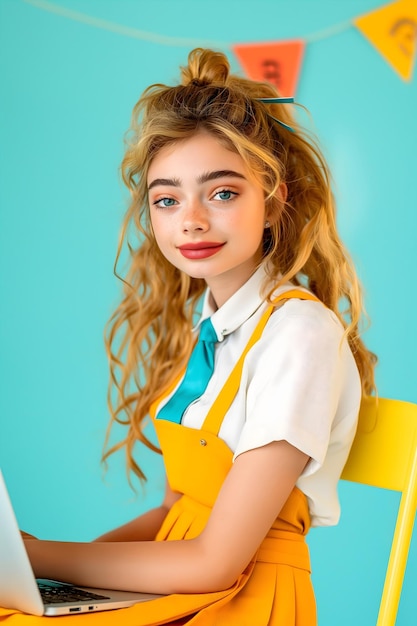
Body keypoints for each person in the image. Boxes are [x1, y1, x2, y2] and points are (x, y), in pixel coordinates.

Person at [18, 48, 376, 625]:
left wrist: (39, 557)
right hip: (177, 583)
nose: (191, 219)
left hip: (245, 599)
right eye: (166, 199)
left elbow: (214, 561)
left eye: (223, 192)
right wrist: (44, 575)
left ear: (272, 200)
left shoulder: (299, 334)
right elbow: (176, 509)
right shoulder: (212, 328)